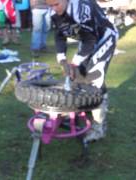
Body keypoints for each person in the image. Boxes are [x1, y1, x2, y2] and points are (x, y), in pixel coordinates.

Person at [46, 0, 119, 143]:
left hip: (104, 37)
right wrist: (62, 59)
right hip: (86, 38)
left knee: (94, 77)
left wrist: (74, 62)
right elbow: (59, 35)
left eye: (56, 4)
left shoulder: (81, 9)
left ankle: (99, 127)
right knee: (78, 75)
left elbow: (90, 40)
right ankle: (82, 109)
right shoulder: (54, 12)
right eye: (50, 5)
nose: (54, 9)